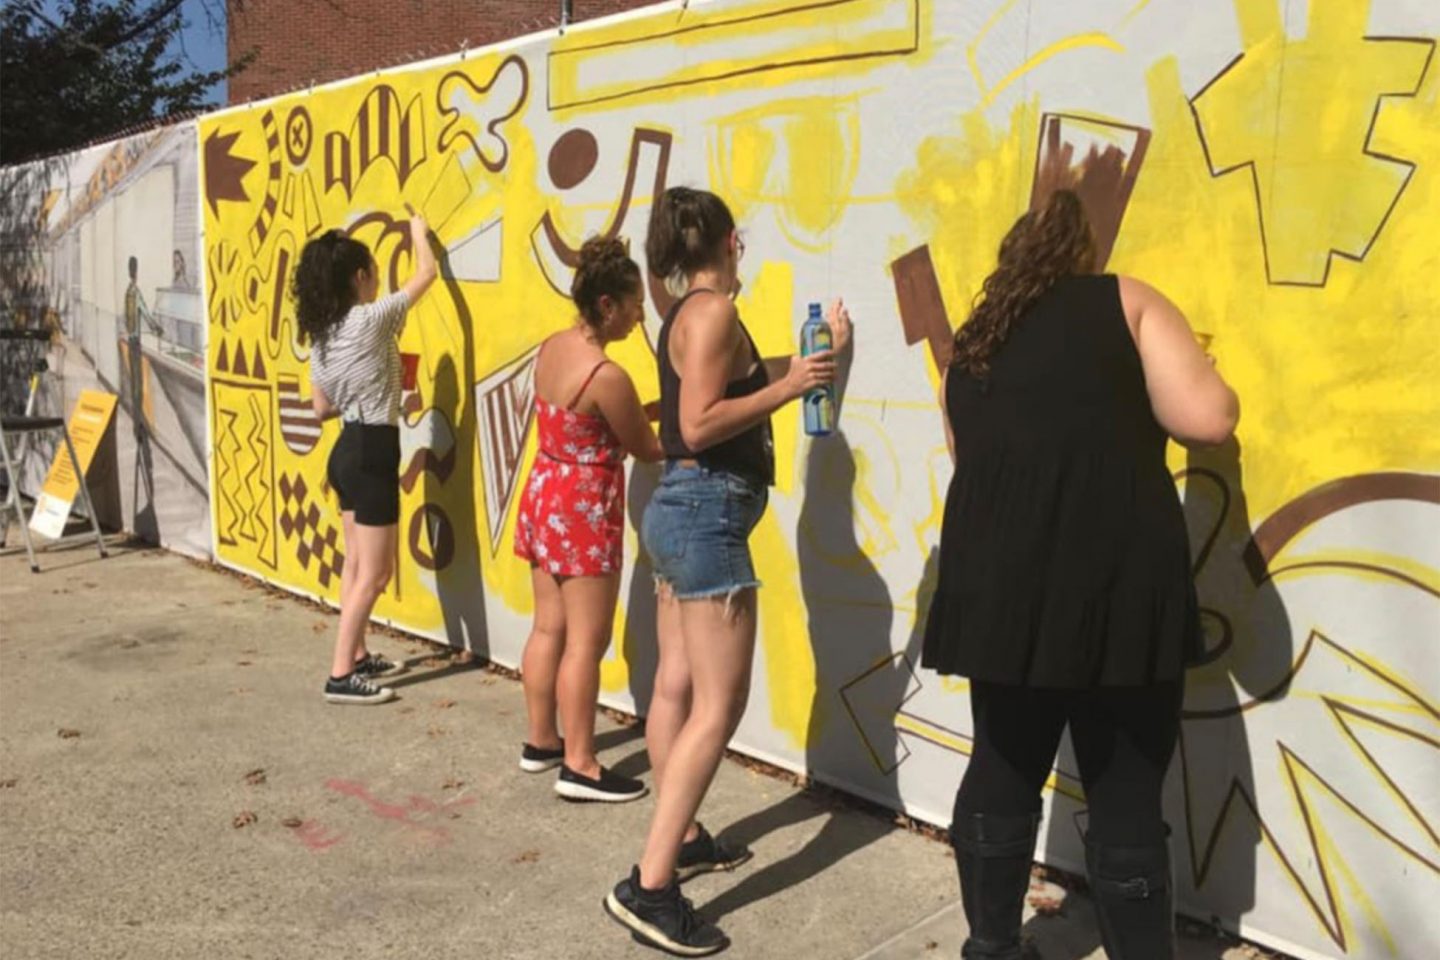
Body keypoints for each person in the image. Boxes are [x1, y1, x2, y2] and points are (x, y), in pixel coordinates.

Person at [922, 189, 1239, 960]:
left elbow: (973, 458)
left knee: (1001, 765)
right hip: (1117, 587)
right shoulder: (1125, 301)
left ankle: (992, 947)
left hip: (1004, 590)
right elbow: (1210, 419)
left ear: (1013, 260)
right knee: (1126, 792)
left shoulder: (976, 340)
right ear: (1082, 253)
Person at [602, 186, 852, 956]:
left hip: (685, 509)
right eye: (736, 237)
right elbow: (699, 422)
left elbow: (723, 388)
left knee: (677, 687)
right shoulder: (710, 313)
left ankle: (681, 838)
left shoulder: (688, 316)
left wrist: (813, 356)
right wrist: (792, 387)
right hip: (707, 509)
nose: (744, 246)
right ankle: (649, 888)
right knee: (721, 704)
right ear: (722, 241)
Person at [515, 235, 664, 802]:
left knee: (548, 626)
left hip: (545, 493)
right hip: (583, 509)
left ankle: (541, 740)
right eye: (633, 304)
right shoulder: (607, 374)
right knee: (587, 639)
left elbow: (585, 424)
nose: (638, 314)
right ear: (608, 305)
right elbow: (646, 448)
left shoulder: (552, 348)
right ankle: (580, 764)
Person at [294, 209, 437, 705]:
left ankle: (355, 655)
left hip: (346, 449)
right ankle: (340, 674)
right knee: (375, 573)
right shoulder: (370, 318)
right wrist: (418, 233)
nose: (378, 280)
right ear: (360, 277)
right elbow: (427, 275)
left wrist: (376, 390)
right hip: (373, 450)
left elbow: (320, 408)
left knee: (356, 565)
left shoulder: (324, 333)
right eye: (374, 272)